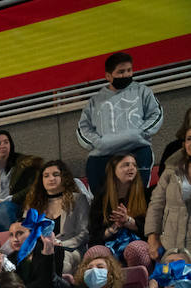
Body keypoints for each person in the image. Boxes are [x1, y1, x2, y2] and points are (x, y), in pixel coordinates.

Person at [77, 52, 163, 194]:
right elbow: (83, 128)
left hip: (137, 151)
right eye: (121, 72)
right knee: (102, 199)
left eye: (129, 70)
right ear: (108, 76)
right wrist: (99, 143)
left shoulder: (142, 91)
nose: (126, 75)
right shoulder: (95, 101)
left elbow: (156, 114)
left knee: (138, 197)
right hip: (104, 155)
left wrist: (138, 133)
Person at [22, 160, 89, 273]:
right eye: (46, 176)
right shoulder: (33, 203)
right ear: (41, 180)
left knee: (62, 264)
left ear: (64, 177)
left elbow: (84, 233)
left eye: (56, 174)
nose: (51, 178)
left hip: (69, 249)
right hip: (40, 249)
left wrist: (60, 244)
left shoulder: (78, 199)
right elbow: (25, 230)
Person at [89, 153, 153, 270]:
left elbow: (152, 230)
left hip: (140, 242)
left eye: (134, 165)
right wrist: (114, 228)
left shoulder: (146, 195)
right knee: (95, 252)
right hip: (109, 244)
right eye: (125, 165)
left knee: (135, 249)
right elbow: (94, 235)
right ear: (113, 171)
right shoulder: (101, 199)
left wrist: (128, 221)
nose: (131, 168)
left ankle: (140, 286)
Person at [0, 130, 41, 234]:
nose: (3, 146)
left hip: (17, 204)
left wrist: (11, 198)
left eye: (6, 142)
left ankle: (11, 244)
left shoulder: (23, 164)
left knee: (4, 208)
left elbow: (33, 186)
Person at [147, 124, 191, 258]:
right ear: (184, 144)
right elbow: (156, 204)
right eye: (189, 139)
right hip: (171, 247)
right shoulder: (171, 170)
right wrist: (152, 237)